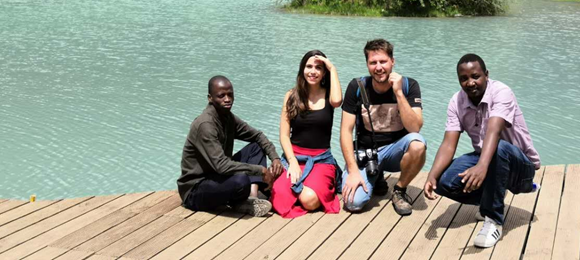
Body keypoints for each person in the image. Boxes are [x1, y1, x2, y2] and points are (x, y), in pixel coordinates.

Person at [424, 54, 540, 249]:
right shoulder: (456, 101)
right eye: (464, 78)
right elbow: (448, 144)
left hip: (519, 165)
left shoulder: (502, 92)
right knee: (444, 182)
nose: (470, 83)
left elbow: (494, 131)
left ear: (486, 75)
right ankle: (491, 198)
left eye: (475, 76)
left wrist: (481, 166)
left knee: (499, 147)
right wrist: (432, 176)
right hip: (487, 157)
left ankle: (493, 220)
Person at [340, 39, 426, 216]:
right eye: (373, 62)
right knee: (353, 203)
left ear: (392, 61)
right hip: (366, 153)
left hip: (395, 152)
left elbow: (415, 128)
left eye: (383, 61)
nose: (378, 67)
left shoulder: (410, 86)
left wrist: (399, 93)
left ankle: (399, 190)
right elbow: (345, 132)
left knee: (418, 144)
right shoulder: (356, 87)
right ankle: (375, 175)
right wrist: (353, 170)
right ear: (367, 64)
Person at [178, 76, 283, 216]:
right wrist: (261, 170)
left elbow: (257, 136)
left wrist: (275, 158)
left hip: (217, 177)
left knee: (256, 147)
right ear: (210, 98)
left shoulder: (227, 117)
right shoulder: (206, 125)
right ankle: (241, 198)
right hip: (196, 190)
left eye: (230, 94)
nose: (227, 99)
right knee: (241, 180)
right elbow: (222, 165)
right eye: (221, 96)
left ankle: (251, 198)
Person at [270, 50, 343, 218]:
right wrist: (292, 161)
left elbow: (338, 101)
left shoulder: (329, 95)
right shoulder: (291, 95)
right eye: (309, 66)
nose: (313, 71)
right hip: (294, 157)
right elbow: (284, 135)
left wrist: (333, 68)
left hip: (321, 159)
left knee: (309, 200)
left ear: (324, 72)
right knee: (278, 197)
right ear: (302, 69)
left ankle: (303, 190)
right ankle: (295, 188)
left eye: (319, 68)